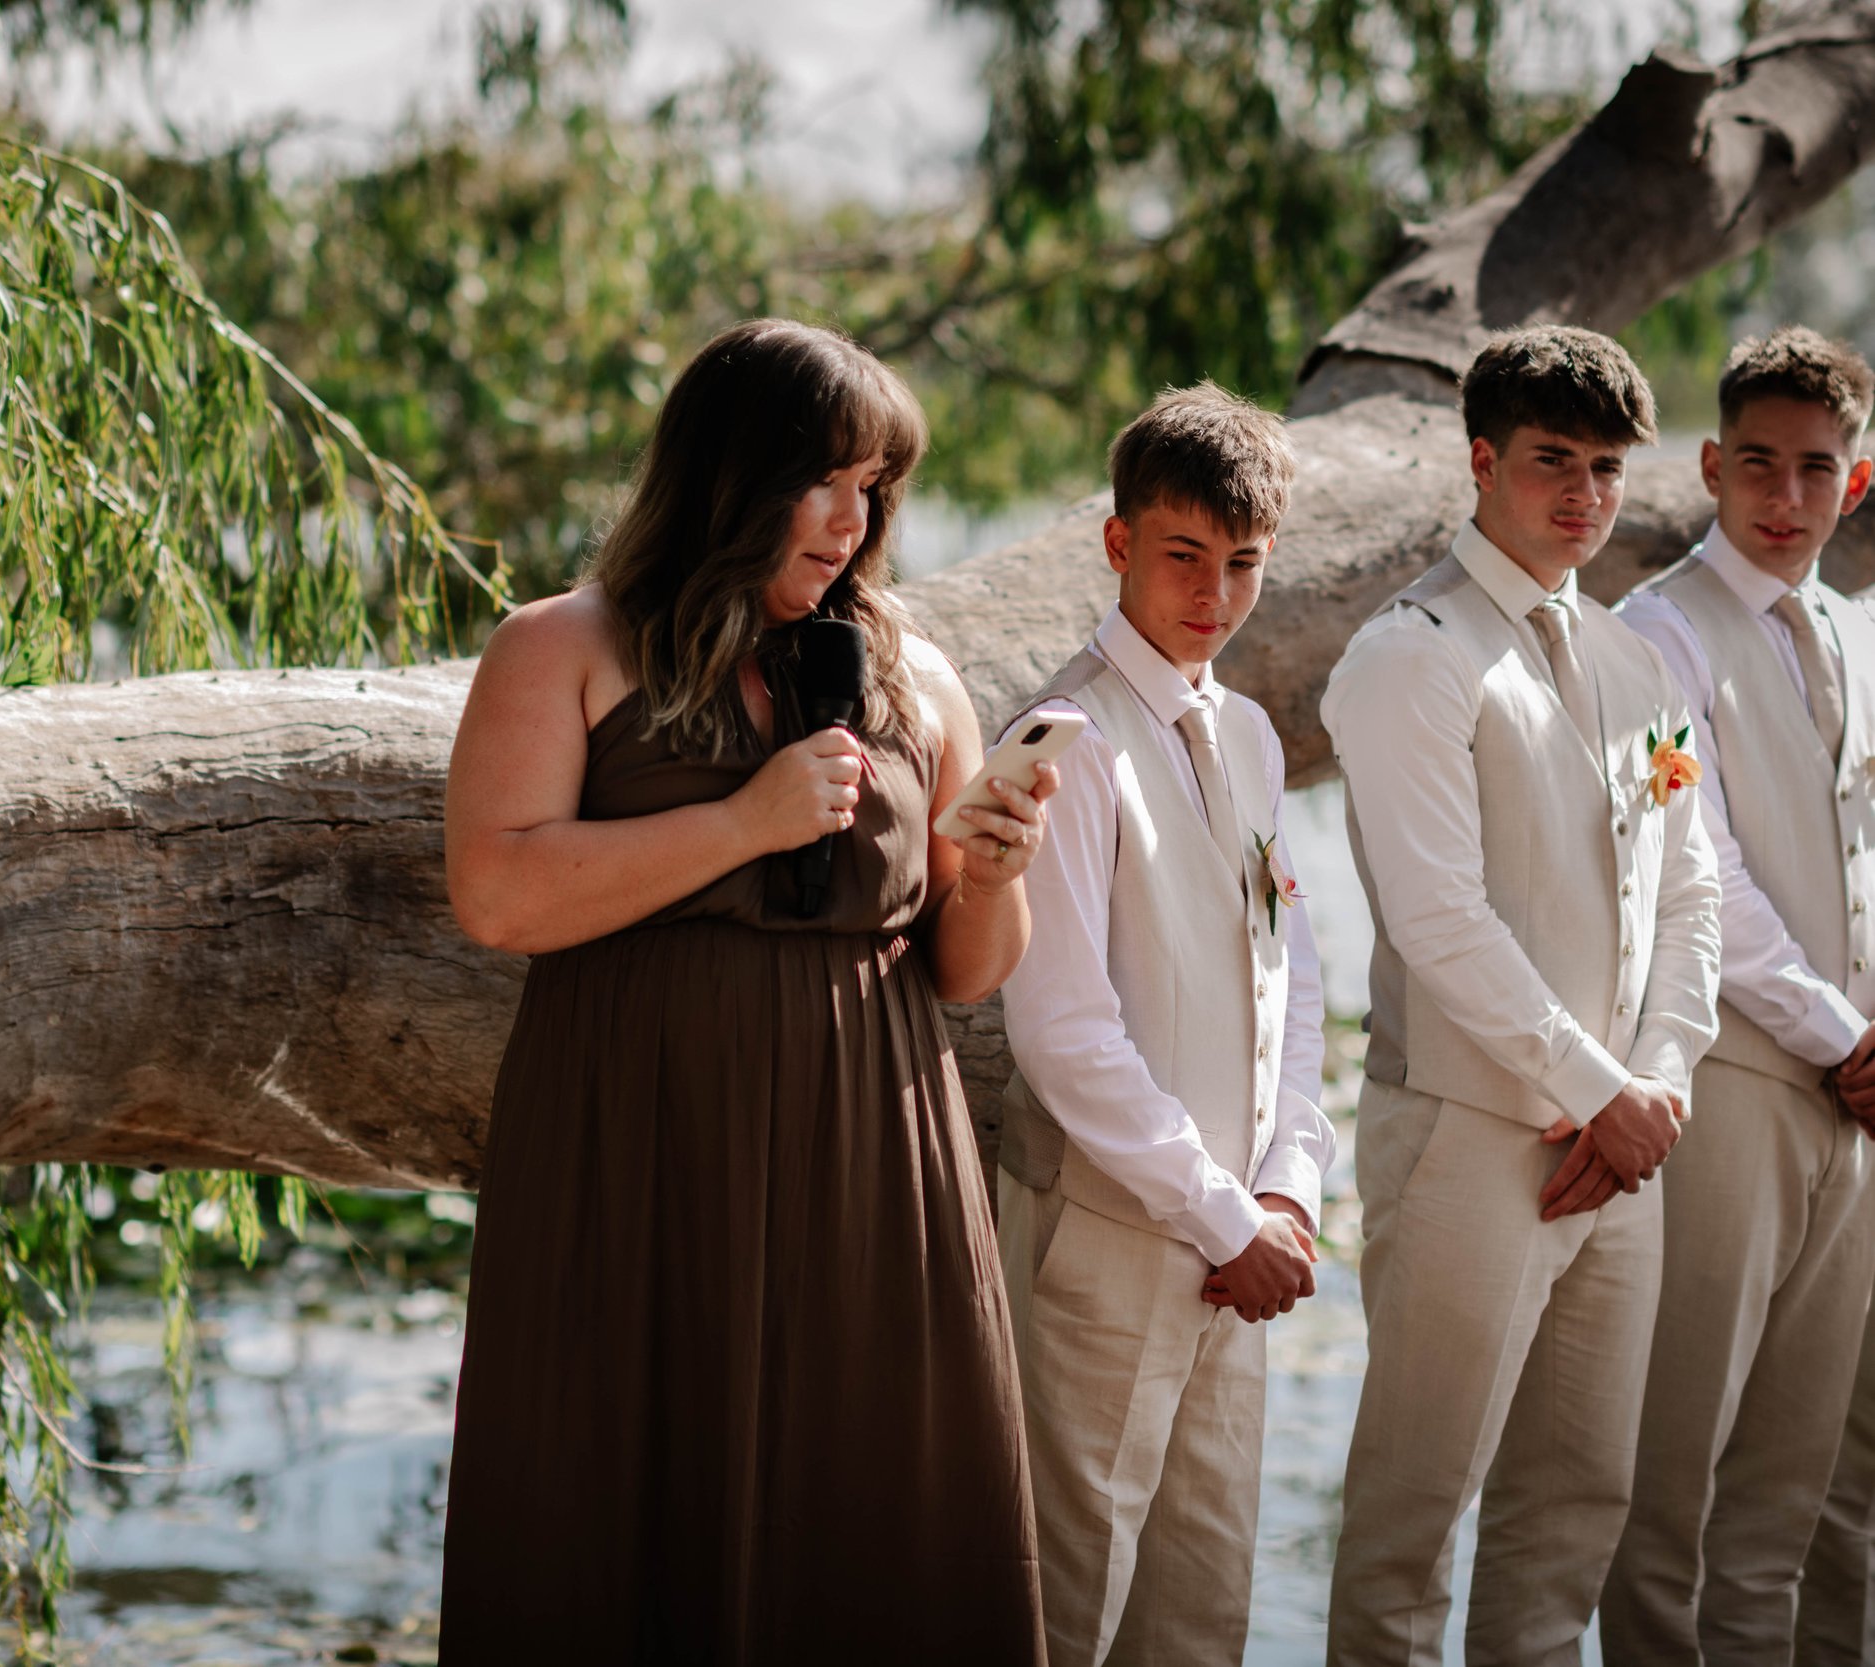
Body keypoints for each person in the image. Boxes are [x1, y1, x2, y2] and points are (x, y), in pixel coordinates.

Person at [435, 317, 1053, 1664]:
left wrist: (995, 874)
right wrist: (741, 822)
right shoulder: (564, 646)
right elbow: (497, 894)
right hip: (637, 1158)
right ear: (727, 477)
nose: (852, 517)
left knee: (872, 1516)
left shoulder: (913, 671)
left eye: (876, 484)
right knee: (620, 1513)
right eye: (823, 478)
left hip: (873, 1171)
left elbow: (958, 966)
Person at [1321, 325, 1721, 1665]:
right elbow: (1441, 919)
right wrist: (1595, 1093)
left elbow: (1690, 896)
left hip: (1622, 1152)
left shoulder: (1636, 663)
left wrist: (1653, 1084)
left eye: (1607, 467)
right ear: (1482, 459)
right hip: (1468, 1138)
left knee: (1570, 1524)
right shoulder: (1409, 655)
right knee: (1409, 1528)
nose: (1585, 495)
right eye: (1555, 460)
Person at [993, 383, 1333, 1666]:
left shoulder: (1244, 732)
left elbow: (1290, 979)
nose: (1213, 593)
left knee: (1200, 1613)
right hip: (1109, 1236)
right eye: (1183, 554)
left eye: (1242, 562)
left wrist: (1287, 1186)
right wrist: (1218, 1213)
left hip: (1238, 1237)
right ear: (1118, 541)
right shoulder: (1065, 737)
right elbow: (1063, 1026)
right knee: (1062, 1609)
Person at [1596, 327, 1875, 1663]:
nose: (1783, 494)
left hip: (1859, 1109)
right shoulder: (1651, 635)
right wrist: (1846, 1035)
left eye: (1815, 468)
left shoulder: (1859, 635)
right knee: (1673, 1497)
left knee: (1787, 1499)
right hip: (1734, 1090)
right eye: (1755, 463)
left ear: (1855, 483)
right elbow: (1692, 865)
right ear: (1709, 466)